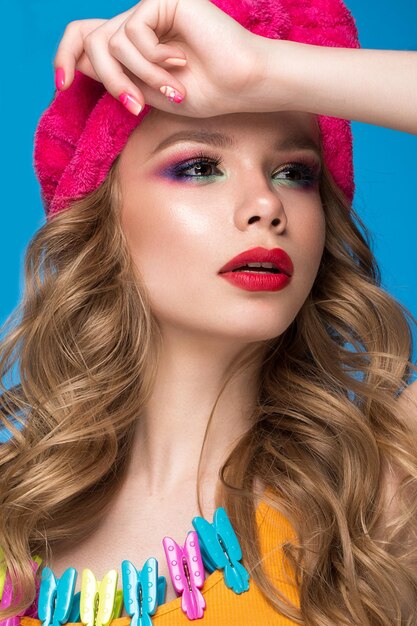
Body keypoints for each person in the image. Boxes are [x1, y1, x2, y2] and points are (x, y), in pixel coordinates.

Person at [1, 0, 417, 624]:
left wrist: (261, 70)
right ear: (102, 218)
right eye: (200, 166)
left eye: (293, 172)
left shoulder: (376, 488)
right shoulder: (13, 503)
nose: (264, 205)